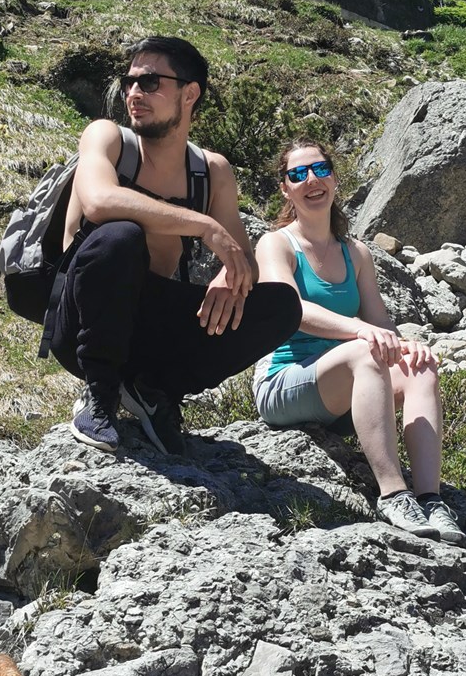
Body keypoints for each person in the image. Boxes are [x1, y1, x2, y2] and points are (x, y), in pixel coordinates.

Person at [52, 36, 301, 454]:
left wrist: (231, 274)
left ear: (189, 93)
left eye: (150, 82)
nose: (134, 93)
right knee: (120, 236)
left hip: (151, 328)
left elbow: (244, 259)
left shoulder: (210, 171)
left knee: (280, 307)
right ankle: (100, 393)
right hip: (81, 323)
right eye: (128, 82)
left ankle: (154, 390)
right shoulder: (108, 139)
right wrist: (203, 225)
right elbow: (98, 201)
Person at [253, 139, 466, 543]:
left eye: (319, 170)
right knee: (366, 353)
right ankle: (393, 494)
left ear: (333, 178)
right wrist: (360, 332)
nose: (311, 180)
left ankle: (431, 498)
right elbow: (289, 309)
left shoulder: (356, 253)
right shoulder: (277, 244)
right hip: (284, 381)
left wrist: (407, 347)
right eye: (297, 175)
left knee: (419, 366)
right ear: (285, 189)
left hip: (343, 389)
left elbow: (380, 324)